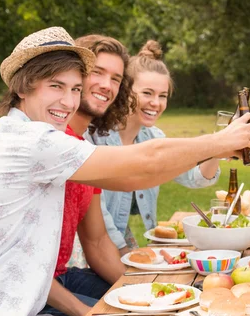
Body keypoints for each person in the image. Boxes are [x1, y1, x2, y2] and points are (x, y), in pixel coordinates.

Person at [0, 27, 250, 316]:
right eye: (55, 86)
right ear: (23, 88)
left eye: (75, 88)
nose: (68, 101)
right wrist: (219, 141)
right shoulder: (31, 141)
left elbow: (139, 176)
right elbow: (140, 167)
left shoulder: (27, 134)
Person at [88, 40, 220, 250]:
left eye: (163, 96)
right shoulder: (94, 136)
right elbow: (98, 219)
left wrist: (218, 150)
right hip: (94, 251)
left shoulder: (154, 137)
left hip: (120, 242)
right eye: (147, 93)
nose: (156, 103)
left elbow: (195, 178)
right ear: (124, 91)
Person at [40, 34, 135, 316]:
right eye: (98, 72)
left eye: (116, 78)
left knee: (145, 307)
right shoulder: (51, 141)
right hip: (29, 291)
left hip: (61, 276)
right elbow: (139, 170)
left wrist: (145, 288)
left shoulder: (83, 148)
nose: (107, 85)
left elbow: (96, 242)